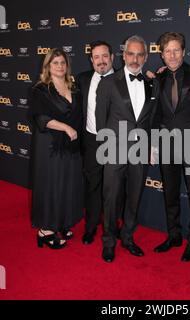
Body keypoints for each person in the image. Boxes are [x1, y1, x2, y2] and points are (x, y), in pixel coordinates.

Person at [95, 35, 158, 262]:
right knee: (111, 199)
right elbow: (101, 119)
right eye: (130, 54)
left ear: (146, 56)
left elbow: (151, 120)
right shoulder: (108, 83)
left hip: (140, 151)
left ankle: (128, 237)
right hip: (114, 149)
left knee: (134, 197)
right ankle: (109, 241)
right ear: (123, 55)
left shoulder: (152, 82)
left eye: (140, 54)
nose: (135, 58)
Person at [152, 32, 190, 262]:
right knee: (170, 193)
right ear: (162, 55)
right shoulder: (158, 78)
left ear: (184, 52)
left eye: (176, 50)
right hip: (166, 144)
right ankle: (174, 234)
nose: (172, 55)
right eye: (167, 51)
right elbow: (155, 114)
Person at [30, 48, 83, 249]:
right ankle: (45, 230)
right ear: (48, 66)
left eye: (62, 62)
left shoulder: (75, 88)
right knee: (50, 186)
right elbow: (40, 118)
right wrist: (65, 127)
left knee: (67, 185)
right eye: (55, 63)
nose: (60, 66)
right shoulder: (41, 90)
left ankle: (60, 221)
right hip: (50, 145)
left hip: (70, 146)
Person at [76, 41, 114, 245]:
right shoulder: (82, 79)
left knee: (115, 188)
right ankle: (90, 227)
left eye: (105, 56)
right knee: (92, 186)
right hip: (91, 140)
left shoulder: (123, 79)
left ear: (112, 57)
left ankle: (111, 226)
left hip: (115, 142)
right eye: (96, 57)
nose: (101, 61)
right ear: (91, 60)